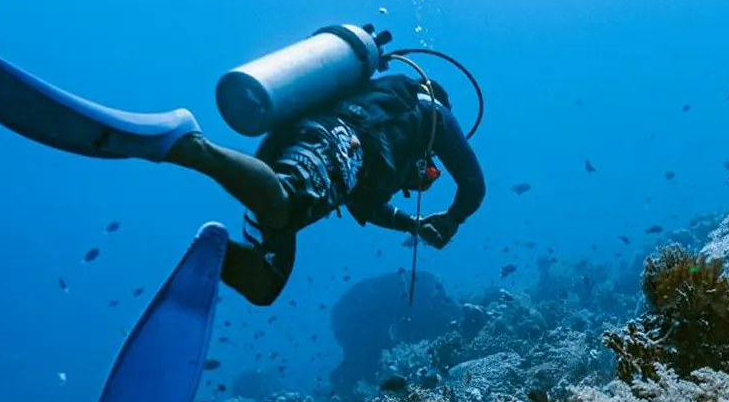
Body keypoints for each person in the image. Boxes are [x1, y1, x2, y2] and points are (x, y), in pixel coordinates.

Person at [162, 73, 487, 305]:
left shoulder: (396, 136)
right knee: (285, 205)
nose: (427, 168)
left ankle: (206, 252)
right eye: (430, 163)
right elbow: (474, 187)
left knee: (266, 286)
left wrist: (412, 224)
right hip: (341, 141)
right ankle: (192, 147)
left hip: (298, 146)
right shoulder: (433, 113)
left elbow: (367, 205)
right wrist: (453, 218)